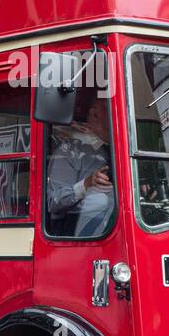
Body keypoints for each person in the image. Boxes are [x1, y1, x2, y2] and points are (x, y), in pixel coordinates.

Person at [46, 95, 114, 237]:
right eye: (112, 108)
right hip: (76, 235)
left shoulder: (120, 150)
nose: (117, 113)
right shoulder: (70, 151)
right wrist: (86, 184)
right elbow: (53, 201)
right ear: (95, 114)